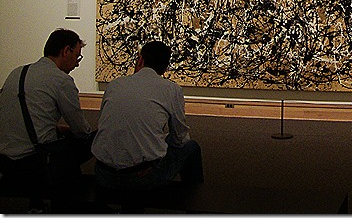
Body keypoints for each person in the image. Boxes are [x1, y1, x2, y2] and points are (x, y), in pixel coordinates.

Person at [0, 28, 95, 211]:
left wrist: (57, 128)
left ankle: (38, 205)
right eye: (77, 57)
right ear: (66, 51)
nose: (77, 64)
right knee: (93, 139)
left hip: (5, 162)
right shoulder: (61, 80)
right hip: (34, 163)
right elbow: (81, 130)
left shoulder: (17, 72)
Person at [91, 40, 204, 193]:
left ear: (141, 60)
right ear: (165, 67)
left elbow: (106, 123)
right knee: (191, 147)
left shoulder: (115, 84)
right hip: (140, 178)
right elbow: (179, 138)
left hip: (103, 174)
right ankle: (195, 201)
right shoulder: (171, 89)